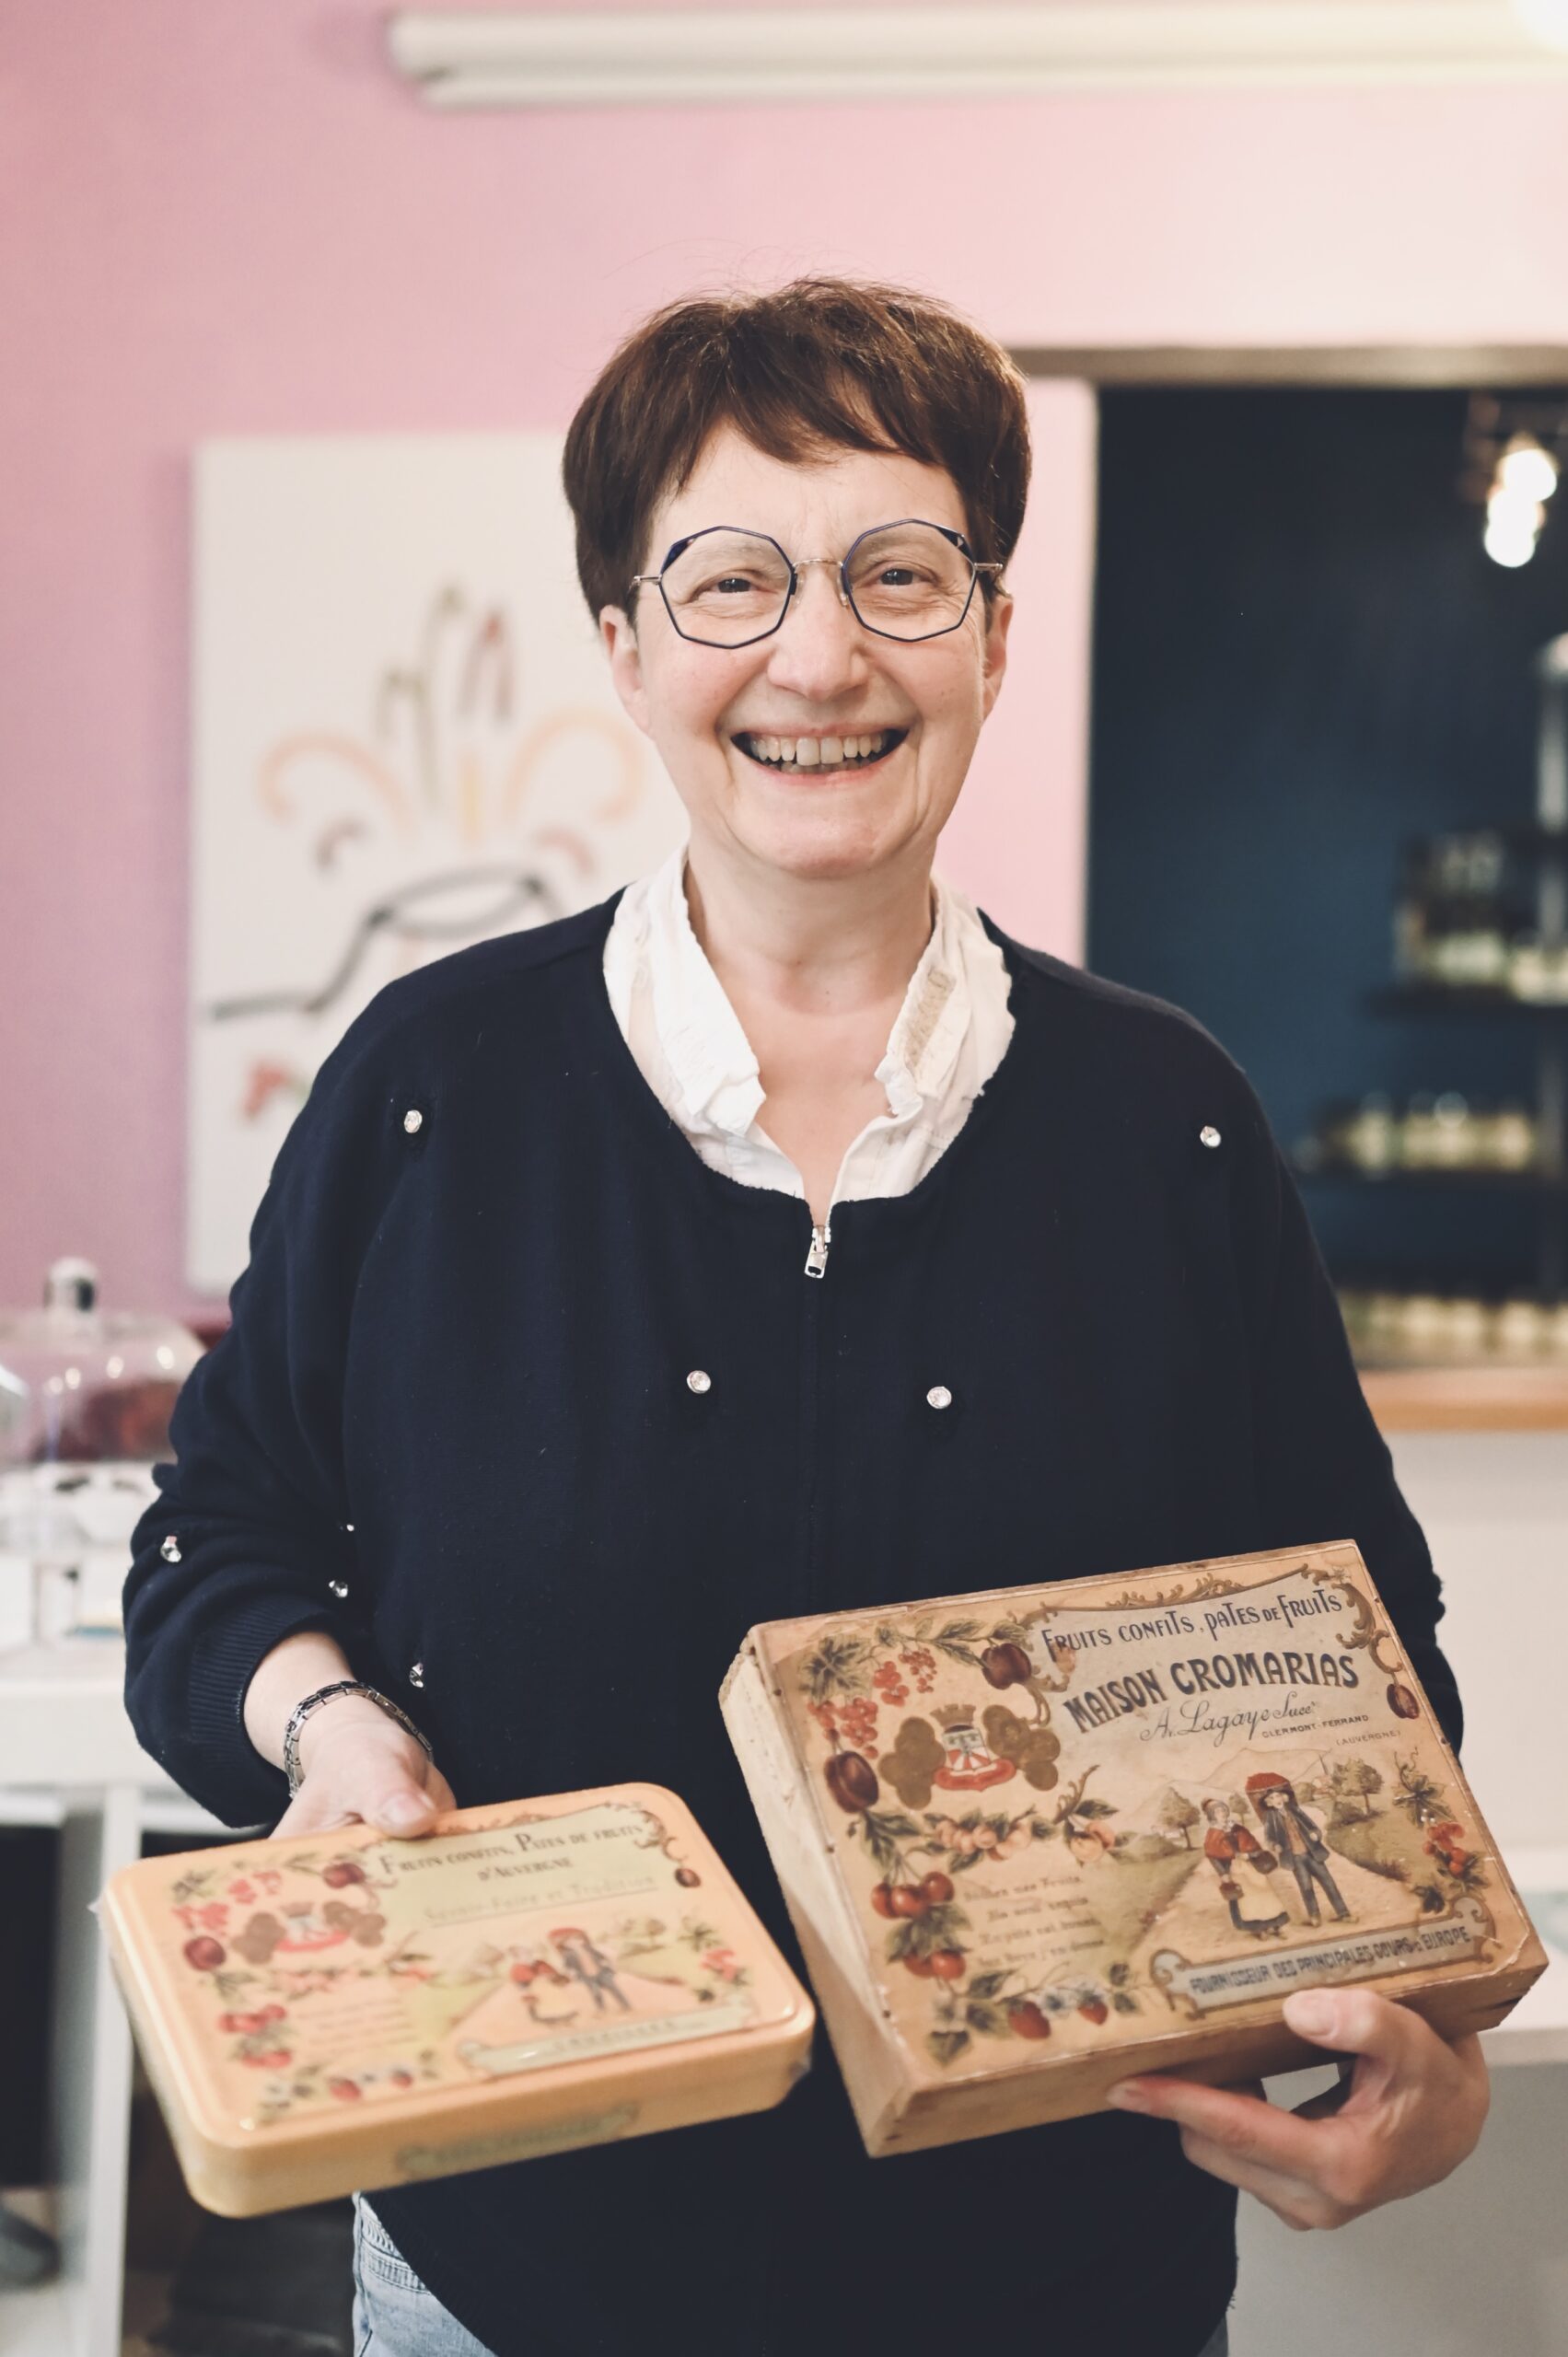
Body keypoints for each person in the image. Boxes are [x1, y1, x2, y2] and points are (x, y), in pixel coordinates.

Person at [122, 278, 1488, 2357]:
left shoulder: (1170, 1121)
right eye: (732, 579)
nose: (821, 652)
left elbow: (1362, 1654)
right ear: (627, 646)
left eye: (900, 572)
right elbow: (215, 1542)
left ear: (998, 632)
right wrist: (327, 1725)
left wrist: (1425, 2038)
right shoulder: (432, 1087)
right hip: (513, 2279)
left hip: (1064, 2286)